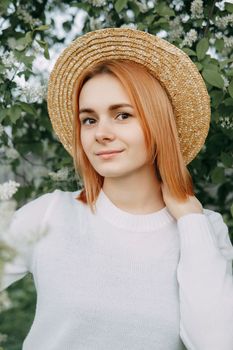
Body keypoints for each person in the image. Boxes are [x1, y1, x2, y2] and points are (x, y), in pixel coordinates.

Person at [1, 27, 233, 350]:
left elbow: (217, 343)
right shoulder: (51, 214)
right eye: (89, 120)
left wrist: (190, 220)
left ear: (158, 122)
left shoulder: (205, 231)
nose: (101, 133)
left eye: (122, 115)